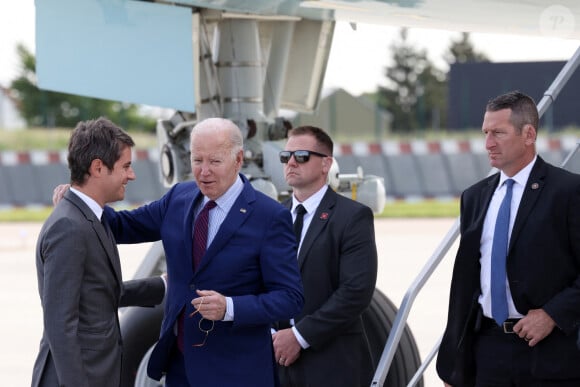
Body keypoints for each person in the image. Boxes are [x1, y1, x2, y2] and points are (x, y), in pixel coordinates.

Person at [98, 117, 304, 386]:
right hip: (180, 367)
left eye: (215, 162)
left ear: (238, 159)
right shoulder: (179, 198)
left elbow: (290, 297)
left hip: (237, 372)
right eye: (197, 161)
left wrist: (229, 307)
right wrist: (82, 198)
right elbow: (123, 226)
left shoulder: (269, 216)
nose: (204, 172)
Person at [436, 91, 580, 386]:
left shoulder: (567, 192)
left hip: (550, 353)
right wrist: (454, 364)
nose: (488, 143)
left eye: (498, 133)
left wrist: (552, 314)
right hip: (489, 351)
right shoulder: (474, 197)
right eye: (486, 133)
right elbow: (466, 283)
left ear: (528, 134)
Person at [32, 118, 166, 387]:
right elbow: (61, 324)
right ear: (97, 167)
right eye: (126, 166)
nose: (132, 175)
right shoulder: (69, 226)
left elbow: (96, 293)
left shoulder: (91, 218)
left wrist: (162, 285)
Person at [272, 125, 378, 386]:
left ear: (326, 164)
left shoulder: (352, 217)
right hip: (273, 361)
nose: (292, 162)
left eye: (302, 156)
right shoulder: (273, 217)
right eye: (286, 157)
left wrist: (299, 336)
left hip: (330, 364)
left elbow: (356, 291)